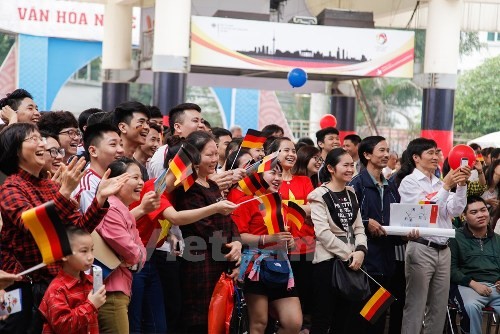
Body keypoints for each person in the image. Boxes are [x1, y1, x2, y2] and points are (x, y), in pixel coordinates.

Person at [0, 123, 122, 333]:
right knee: (14, 328)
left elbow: (77, 232)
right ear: (15, 150)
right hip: (20, 285)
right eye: (33, 139)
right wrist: (64, 193)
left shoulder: (51, 186)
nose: (42, 143)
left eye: (41, 138)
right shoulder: (11, 187)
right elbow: (31, 227)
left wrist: (99, 201)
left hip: (56, 283)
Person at [397, 138, 470, 334]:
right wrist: (446, 187)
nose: (436, 157)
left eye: (437, 152)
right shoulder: (409, 182)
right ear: (416, 157)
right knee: (416, 306)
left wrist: (461, 185)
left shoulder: (439, 182)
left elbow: (455, 210)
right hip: (421, 247)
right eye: (430, 152)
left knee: (438, 308)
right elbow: (424, 212)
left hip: (444, 249)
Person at [173, 131, 242, 333]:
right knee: (201, 321)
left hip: (221, 261)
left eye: (215, 154)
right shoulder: (188, 188)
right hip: (200, 264)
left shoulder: (212, 184)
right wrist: (231, 254)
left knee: (220, 319)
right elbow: (205, 227)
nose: (214, 160)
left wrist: (237, 244)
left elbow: (228, 220)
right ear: (194, 157)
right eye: (208, 155)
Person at [231, 164, 302, 334]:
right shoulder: (247, 200)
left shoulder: (279, 201)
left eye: (280, 174)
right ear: (258, 176)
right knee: (259, 323)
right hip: (254, 267)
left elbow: (284, 233)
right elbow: (238, 236)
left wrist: (289, 241)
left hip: (280, 265)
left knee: (293, 322)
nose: (278, 178)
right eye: (272, 173)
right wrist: (268, 239)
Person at [348, 136, 405, 334]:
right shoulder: (356, 185)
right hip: (364, 262)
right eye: (381, 150)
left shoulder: (391, 187)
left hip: (386, 262)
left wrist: (406, 234)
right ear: (366, 154)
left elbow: (397, 221)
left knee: (378, 316)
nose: (386, 154)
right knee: (360, 316)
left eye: (387, 150)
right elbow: (345, 220)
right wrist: (365, 222)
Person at [308, 148, 368, 333]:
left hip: (353, 263)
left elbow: (359, 228)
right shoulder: (318, 195)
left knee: (344, 320)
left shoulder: (351, 193)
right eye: (346, 165)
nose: (351, 169)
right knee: (322, 318)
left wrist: (360, 251)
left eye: (352, 165)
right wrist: (348, 254)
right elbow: (323, 233)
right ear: (331, 168)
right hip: (328, 263)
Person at [95, 157, 148, 334]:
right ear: (116, 181)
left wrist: (134, 258)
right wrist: (134, 257)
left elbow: (140, 253)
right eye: (135, 177)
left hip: (120, 289)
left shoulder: (123, 210)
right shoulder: (110, 209)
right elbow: (133, 253)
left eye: (141, 177)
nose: (141, 182)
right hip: (110, 292)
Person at [267, 137, 314, 329]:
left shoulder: (304, 180)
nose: (292, 154)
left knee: (304, 299)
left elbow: (314, 208)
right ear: (274, 154)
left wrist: (284, 207)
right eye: (286, 150)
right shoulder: (268, 182)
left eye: (294, 150)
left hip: (306, 247)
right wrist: (301, 208)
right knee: (276, 302)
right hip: (277, 249)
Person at [38, 226, 107, 334]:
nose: (90, 257)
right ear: (64, 255)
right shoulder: (57, 289)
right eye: (84, 251)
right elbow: (63, 326)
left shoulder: (90, 281)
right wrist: (91, 305)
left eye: (91, 250)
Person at [449, 196, 500, 334]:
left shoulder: (497, 239)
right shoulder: (455, 237)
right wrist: (473, 284)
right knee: (471, 307)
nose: (480, 215)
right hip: (467, 286)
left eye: (483, 210)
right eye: (474, 212)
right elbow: (451, 270)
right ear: (464, 216)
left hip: (496, 287)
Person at [72, 123, 125, 213]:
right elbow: (95, 225)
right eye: (113, 144)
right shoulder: (87, 186)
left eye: (121, 144)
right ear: (93, 151)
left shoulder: (115, 175)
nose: (121, 150)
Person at [148, 103, 204, 179]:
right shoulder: (163, 154)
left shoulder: (202, 150)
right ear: (177, 127)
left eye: (202, 121)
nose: (201, 125)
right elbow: (162, 189)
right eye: (195, 121)